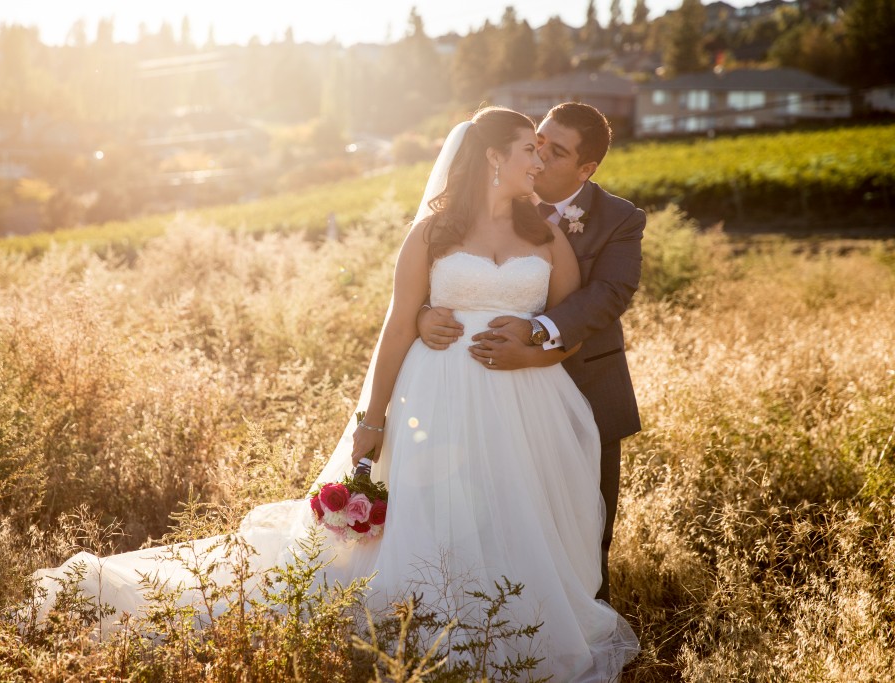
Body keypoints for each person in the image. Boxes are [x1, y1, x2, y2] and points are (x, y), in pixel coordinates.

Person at [33, 106, 638, 680]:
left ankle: (512, 628)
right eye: (528, 151)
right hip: (437, 398)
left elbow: (573, 329)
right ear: (491, 160)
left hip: (524, 403)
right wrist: (370, 422)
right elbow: (397, 326)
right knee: (436, 517)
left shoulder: (549, 236)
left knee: (514, 514)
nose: (538, 162)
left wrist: (526, 354)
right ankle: (428, 630)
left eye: (545, 151)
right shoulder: (432, 233)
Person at [417, 102, 645, 603]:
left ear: (586, 169)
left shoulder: (619, 220)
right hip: (472, 393)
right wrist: (422, 315)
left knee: (581, 525)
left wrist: (536, 332)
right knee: (478, 517)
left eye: (556, 152)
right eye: (537, 140)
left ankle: (576, 631)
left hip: (583, 386)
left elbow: (608, 295)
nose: (539, 156)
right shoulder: (481, 202)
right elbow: (430, 278)